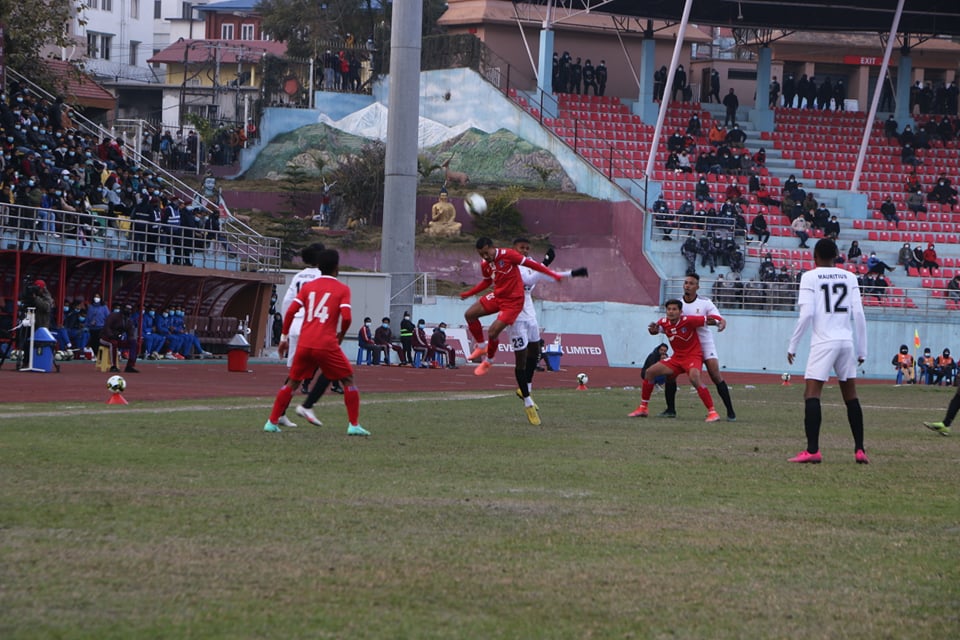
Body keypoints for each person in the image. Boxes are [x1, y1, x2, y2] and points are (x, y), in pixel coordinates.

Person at [267, 249, 368, 436]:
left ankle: (271, 421)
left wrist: (283, 338)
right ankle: (353, 425)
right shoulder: (342, 289)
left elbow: (289, 312)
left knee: (293, 381)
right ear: (337, 267)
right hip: (326, 343)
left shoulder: (308, 287)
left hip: (305, 341)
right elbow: (346, 317)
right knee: (347, 379)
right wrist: (342, 335)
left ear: (319, 267)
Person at [786, 239, 869, 464]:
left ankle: (813, 450)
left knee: (811, 394)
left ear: (815, 256)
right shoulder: (850, 277)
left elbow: (806, 315)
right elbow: (859, 315)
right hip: (846, 341)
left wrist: (793, 345)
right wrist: (862, 350)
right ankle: (860, 449)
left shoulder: (810, 277)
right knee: (850, 396)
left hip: (824, 342)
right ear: (836, 256)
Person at [510, 238, 588, 424]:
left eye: (527, 248)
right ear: (514, 249)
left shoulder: (531, 264)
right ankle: (528, 403)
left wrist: (572, 273)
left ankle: (525, 389)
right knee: (520, 359)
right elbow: (529, 279)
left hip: (529, 311)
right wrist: (545, 263)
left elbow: (547, 274)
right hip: (514, 314)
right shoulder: (511, 266)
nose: (525, 251)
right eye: (521, 248)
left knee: (535, 352)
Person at [460, 237, 562, 376]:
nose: (484, 257)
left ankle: (489, 360)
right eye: (481, 254)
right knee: (469, 314)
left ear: (492, 247)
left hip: (513, 301)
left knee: (493, 332)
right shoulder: (486, 263)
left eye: (486, 253)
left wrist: (549, 269)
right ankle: (482, 346)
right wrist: (469, 293)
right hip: (499, 295)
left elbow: (531, 275)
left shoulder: (511, 256)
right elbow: (487, 281)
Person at [659, 273, 738, 420]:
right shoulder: (677, 304)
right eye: (686, 283)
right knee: (670, 375)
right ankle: (671, 409)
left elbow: (716, 317)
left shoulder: (705, 302)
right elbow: (668, 323)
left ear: (697, 287)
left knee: (715, 375)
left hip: (704, 343)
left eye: (691, 283)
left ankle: (730, 411)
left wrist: (720, 321)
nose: (687, 285)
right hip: (685, 347)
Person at [630, 299, 722, 422]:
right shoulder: (663, 322)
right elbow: (655, 330)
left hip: (693, 356)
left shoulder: (688, 320)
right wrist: (652, 330)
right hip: (677, 358)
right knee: (649, 372)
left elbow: (708, 320)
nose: (671, 312)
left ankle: (712, 412)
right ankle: (643, 408)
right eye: (669, 309)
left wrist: (719, 322)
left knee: (694, 378)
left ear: (680, 312)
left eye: (674, 309)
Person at [100, 303, 140, 374]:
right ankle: (113, 366)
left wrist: (131, 340)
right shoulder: (113, 316)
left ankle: (130, 366)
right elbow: (107, 327)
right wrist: (112, 335)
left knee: (135, 344)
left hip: (118, 339)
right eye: (127, 309)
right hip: (105, 338)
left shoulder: (128, 321)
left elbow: (130, 333)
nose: (128, 311)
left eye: (130, 310)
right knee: (113, 343)